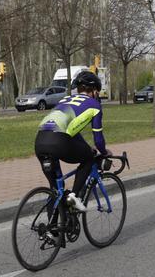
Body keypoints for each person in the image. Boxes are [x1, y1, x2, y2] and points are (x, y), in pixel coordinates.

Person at [34, 71, 110, 212]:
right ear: (94, 91)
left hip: (40, 141)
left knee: (56, 189)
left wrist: (87, 147)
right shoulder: (94, 105)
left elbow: (72, 131)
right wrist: (104, 152)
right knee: (89, 158)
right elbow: (98, 139)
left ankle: (53, 232)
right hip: (59, 142)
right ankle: (75, 196)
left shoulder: (64, 100)